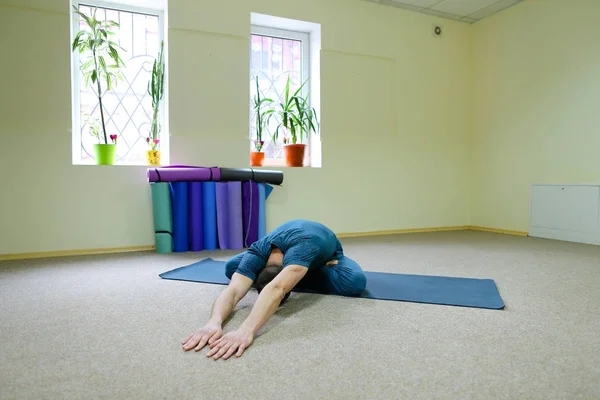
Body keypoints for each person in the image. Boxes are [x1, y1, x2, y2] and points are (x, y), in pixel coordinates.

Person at [181, 219, 367, 360]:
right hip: (290, 250)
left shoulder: (304, 247)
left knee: (353, 282)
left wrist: (245, 330)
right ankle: (298, 273)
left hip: (324, 245)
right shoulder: (258, 251)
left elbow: (277, 288)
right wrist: (214, 322)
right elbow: (234, 290)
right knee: (231, 268)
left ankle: (305, 270)